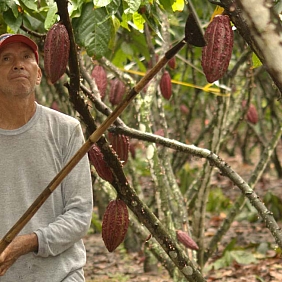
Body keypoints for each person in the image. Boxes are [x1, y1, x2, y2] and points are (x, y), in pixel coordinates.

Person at [0, 33, 93, 281]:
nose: (18, 64)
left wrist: (31, 242)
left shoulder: (66, 129)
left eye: (27, 57)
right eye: (6, 58)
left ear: (38, 74)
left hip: (60, 274)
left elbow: (80, 214)